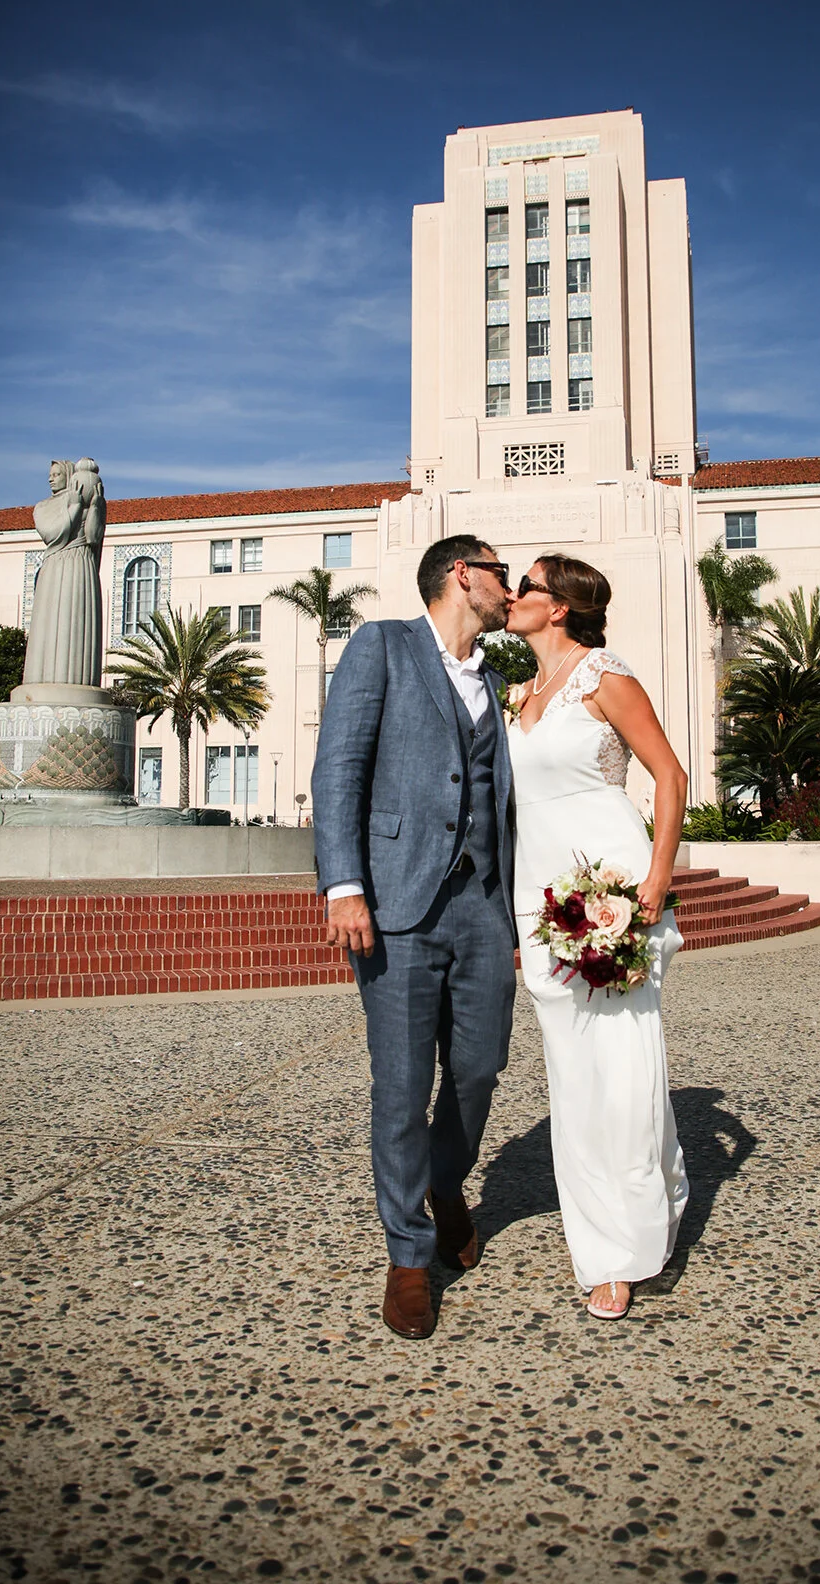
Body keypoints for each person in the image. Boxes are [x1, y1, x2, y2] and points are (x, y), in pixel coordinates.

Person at [313, 535, 517, 1339]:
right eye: (501, 574)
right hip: (396, 903)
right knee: (400, 1086)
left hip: (481, 905)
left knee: (479, 1068)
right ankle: (407, 1254)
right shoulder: (384, 645)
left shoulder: (492, 679)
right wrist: (344, 885)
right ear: (463, 575)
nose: (509, 588)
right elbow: (340, 767)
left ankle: (445, 1179)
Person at [505, 553, 689, 1321]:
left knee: (622, 1071)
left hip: (610, 884)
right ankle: (603, 1233)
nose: (512, 594)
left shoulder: (604, 676)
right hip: (538, 896)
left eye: (526, 586)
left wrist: (656, 877)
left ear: (559, 608)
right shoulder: (519, 693)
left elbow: (670, 775)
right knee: (573, 1079)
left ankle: (624, 1251)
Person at [23, 458, 107, 688]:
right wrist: (75, 507)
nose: (50, 479)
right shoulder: (43, 507)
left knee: (79, 623)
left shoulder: (88, 500)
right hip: (56, 565)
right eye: (50, 475)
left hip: (82, 565)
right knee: (51, 622)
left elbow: (93, 537)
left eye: (56, 474)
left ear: (69, 477)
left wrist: (96, 507)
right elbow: (52, 534)